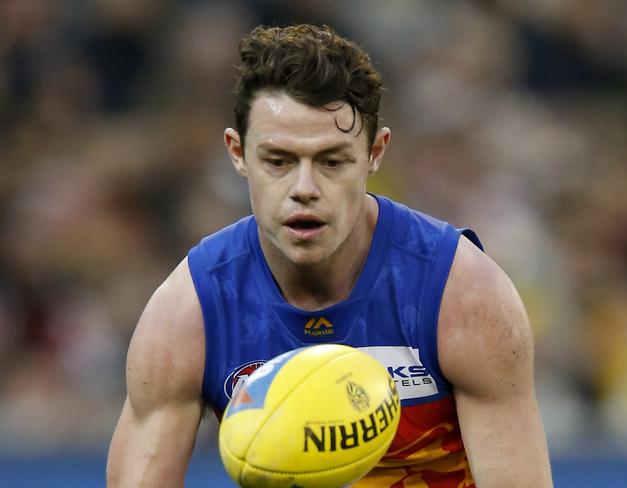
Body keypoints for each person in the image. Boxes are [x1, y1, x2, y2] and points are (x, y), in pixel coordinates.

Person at [107, 24, 553, 487]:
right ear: (237, 154)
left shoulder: (462, 295)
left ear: (375, 153)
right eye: (278, 161)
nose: (304, 190)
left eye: (332, 161)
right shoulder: (188, 314)